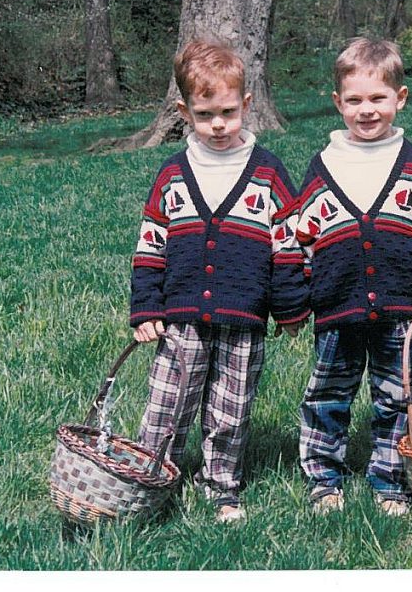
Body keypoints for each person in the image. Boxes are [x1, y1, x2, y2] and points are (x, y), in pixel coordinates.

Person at [129, 39, 309, 523]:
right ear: (184, 112)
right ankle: (148, 482)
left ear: (246, 106)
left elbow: (287, 248)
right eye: (206, 114)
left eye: (228, 112)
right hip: (180, 318)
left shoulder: (269, 174)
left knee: (230, 412)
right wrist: (146, 309)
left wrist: (291, 309)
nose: (218, 125)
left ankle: (222, 487)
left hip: (244, 317)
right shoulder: (172, 175)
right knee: (167, 405)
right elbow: (150, 247)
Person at [295, 38, 412, 516]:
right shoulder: (323, 167)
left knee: (400, 398)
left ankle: (390, 479)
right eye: (355, 101)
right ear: (337, 103)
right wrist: (299, 296)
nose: (367, 111)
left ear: (400, 98)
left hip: (400, 309)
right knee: (328, 395)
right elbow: (299, 237)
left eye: (378, 99)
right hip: (337, 307)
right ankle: (323, 479)